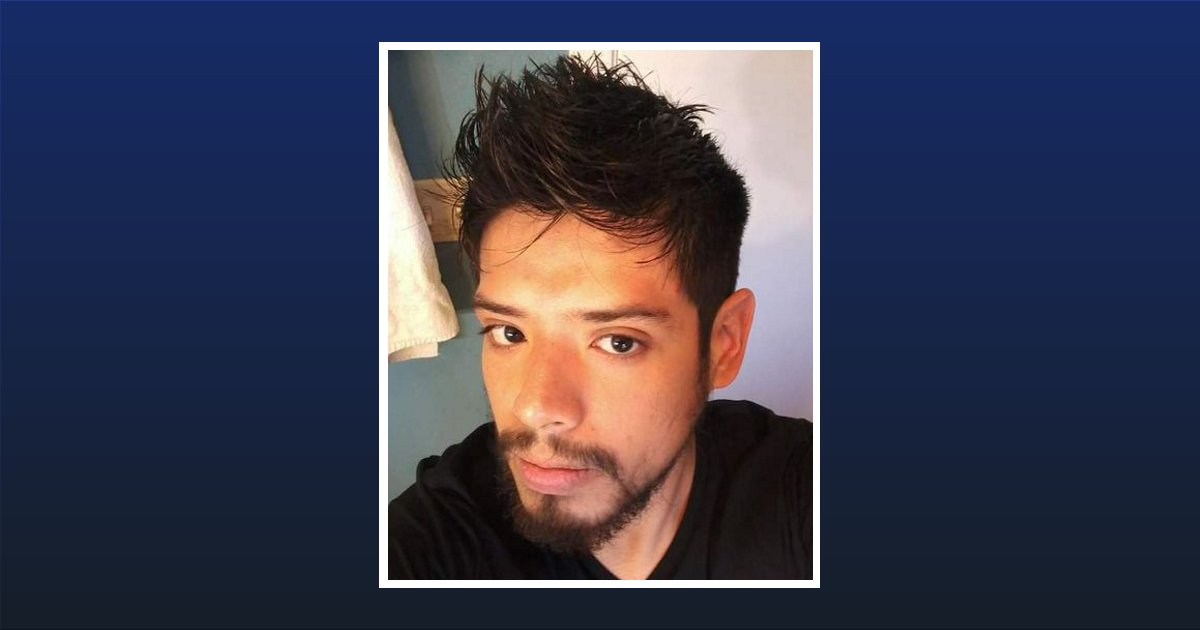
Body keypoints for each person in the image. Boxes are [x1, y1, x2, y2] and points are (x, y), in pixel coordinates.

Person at [388, 54, 812, 580]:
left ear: (722, 343)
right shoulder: (439, 537)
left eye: (617, 341)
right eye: (510, 332)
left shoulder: (799, 496)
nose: (536, 407)